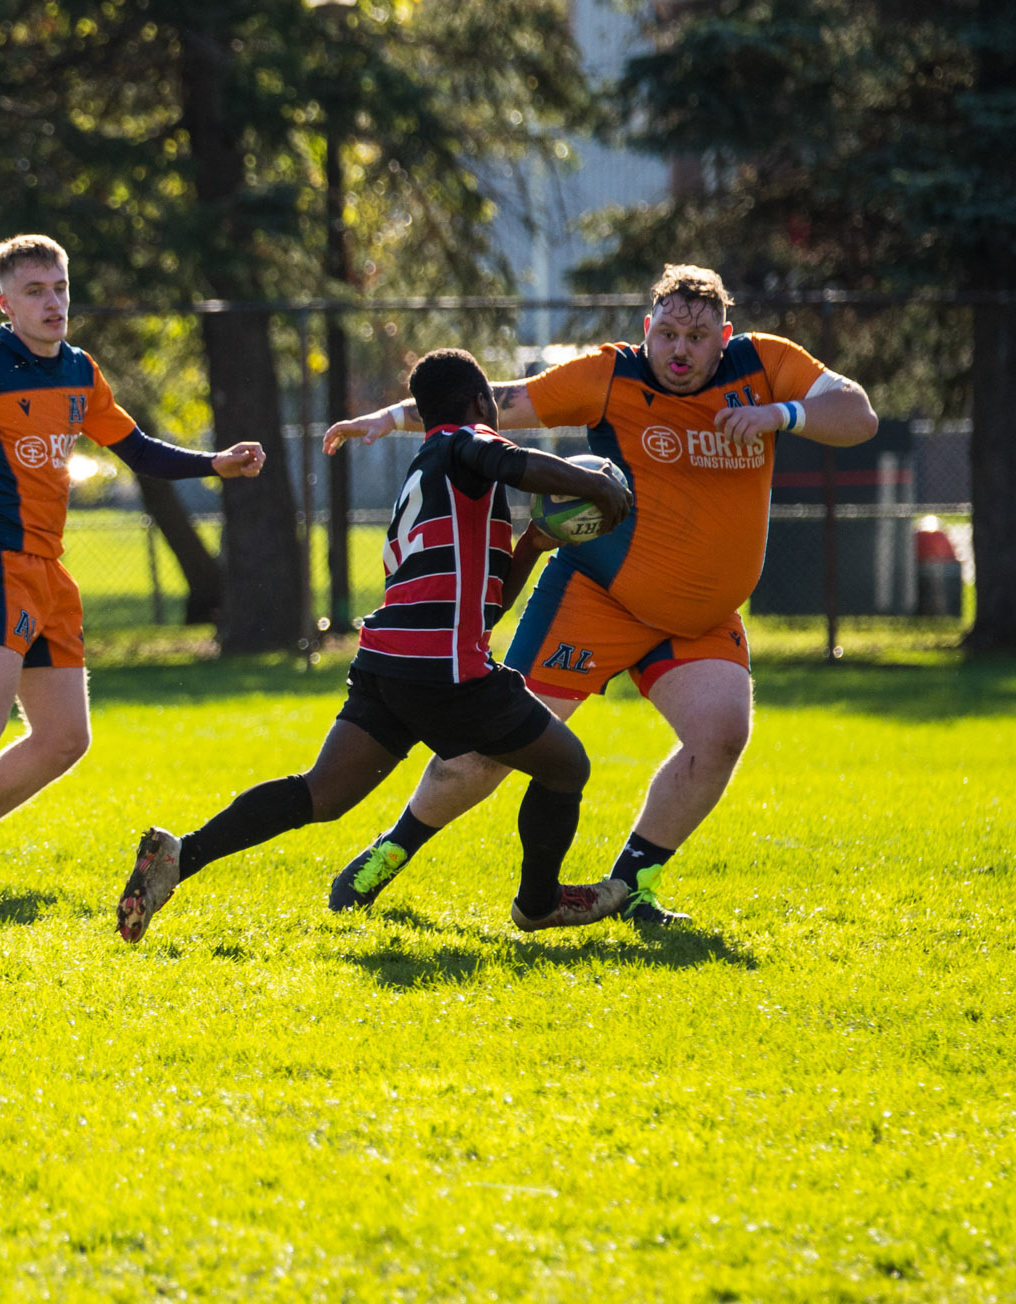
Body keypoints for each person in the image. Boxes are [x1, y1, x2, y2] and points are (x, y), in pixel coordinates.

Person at [320, 265, 878, 924]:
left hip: (698, 618)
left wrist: (778, 413)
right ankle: (390, 851)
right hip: (596, 596)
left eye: (696, 337)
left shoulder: (762, 365)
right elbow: (503, 400)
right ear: (648, 329)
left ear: (722, 337)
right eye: (667, 332)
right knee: (487, 750)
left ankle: (632, 888)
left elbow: (859, 416)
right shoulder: (612, 376)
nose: (678, 349)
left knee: (721, 736)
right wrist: (392, 416)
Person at [115, 348, 634, 943]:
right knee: (567, 767)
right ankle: (539, 905)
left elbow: (488, 608)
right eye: (489, 407)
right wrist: (591, 480)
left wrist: (534, 544)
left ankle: (180, 857)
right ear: (478, 404)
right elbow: (506, 458)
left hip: (391, 663)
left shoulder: (434, 475)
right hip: (445, 672)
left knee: (323, 792)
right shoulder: (462, 443)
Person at [0, 234, 264, 892]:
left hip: (49, 571)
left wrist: (213, 463)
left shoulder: (79, 371)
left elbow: (140, 449)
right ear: (5, 304)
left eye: (61, 287)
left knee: (65, 737)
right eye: (35, 291)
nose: (53, 302)